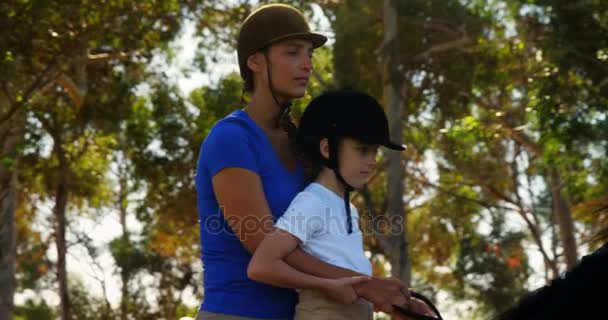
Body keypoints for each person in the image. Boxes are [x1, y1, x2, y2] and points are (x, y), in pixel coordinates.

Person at [195, 4, 414, 320]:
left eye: (309, 54)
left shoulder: (301, 143)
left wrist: (393, 298)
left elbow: (325, 241)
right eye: (293, 53)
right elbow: (261, 242)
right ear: (255, 61)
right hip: (237, 313)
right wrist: (364, 286)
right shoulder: (231, 138)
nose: (307, 64)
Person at [246, 89, 410, 320]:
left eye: (375, 151)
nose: (372, 160)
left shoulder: (349, 210)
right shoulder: (313, 201)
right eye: (363, 150)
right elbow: (261, 265)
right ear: (327, 149)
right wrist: (325, 285)